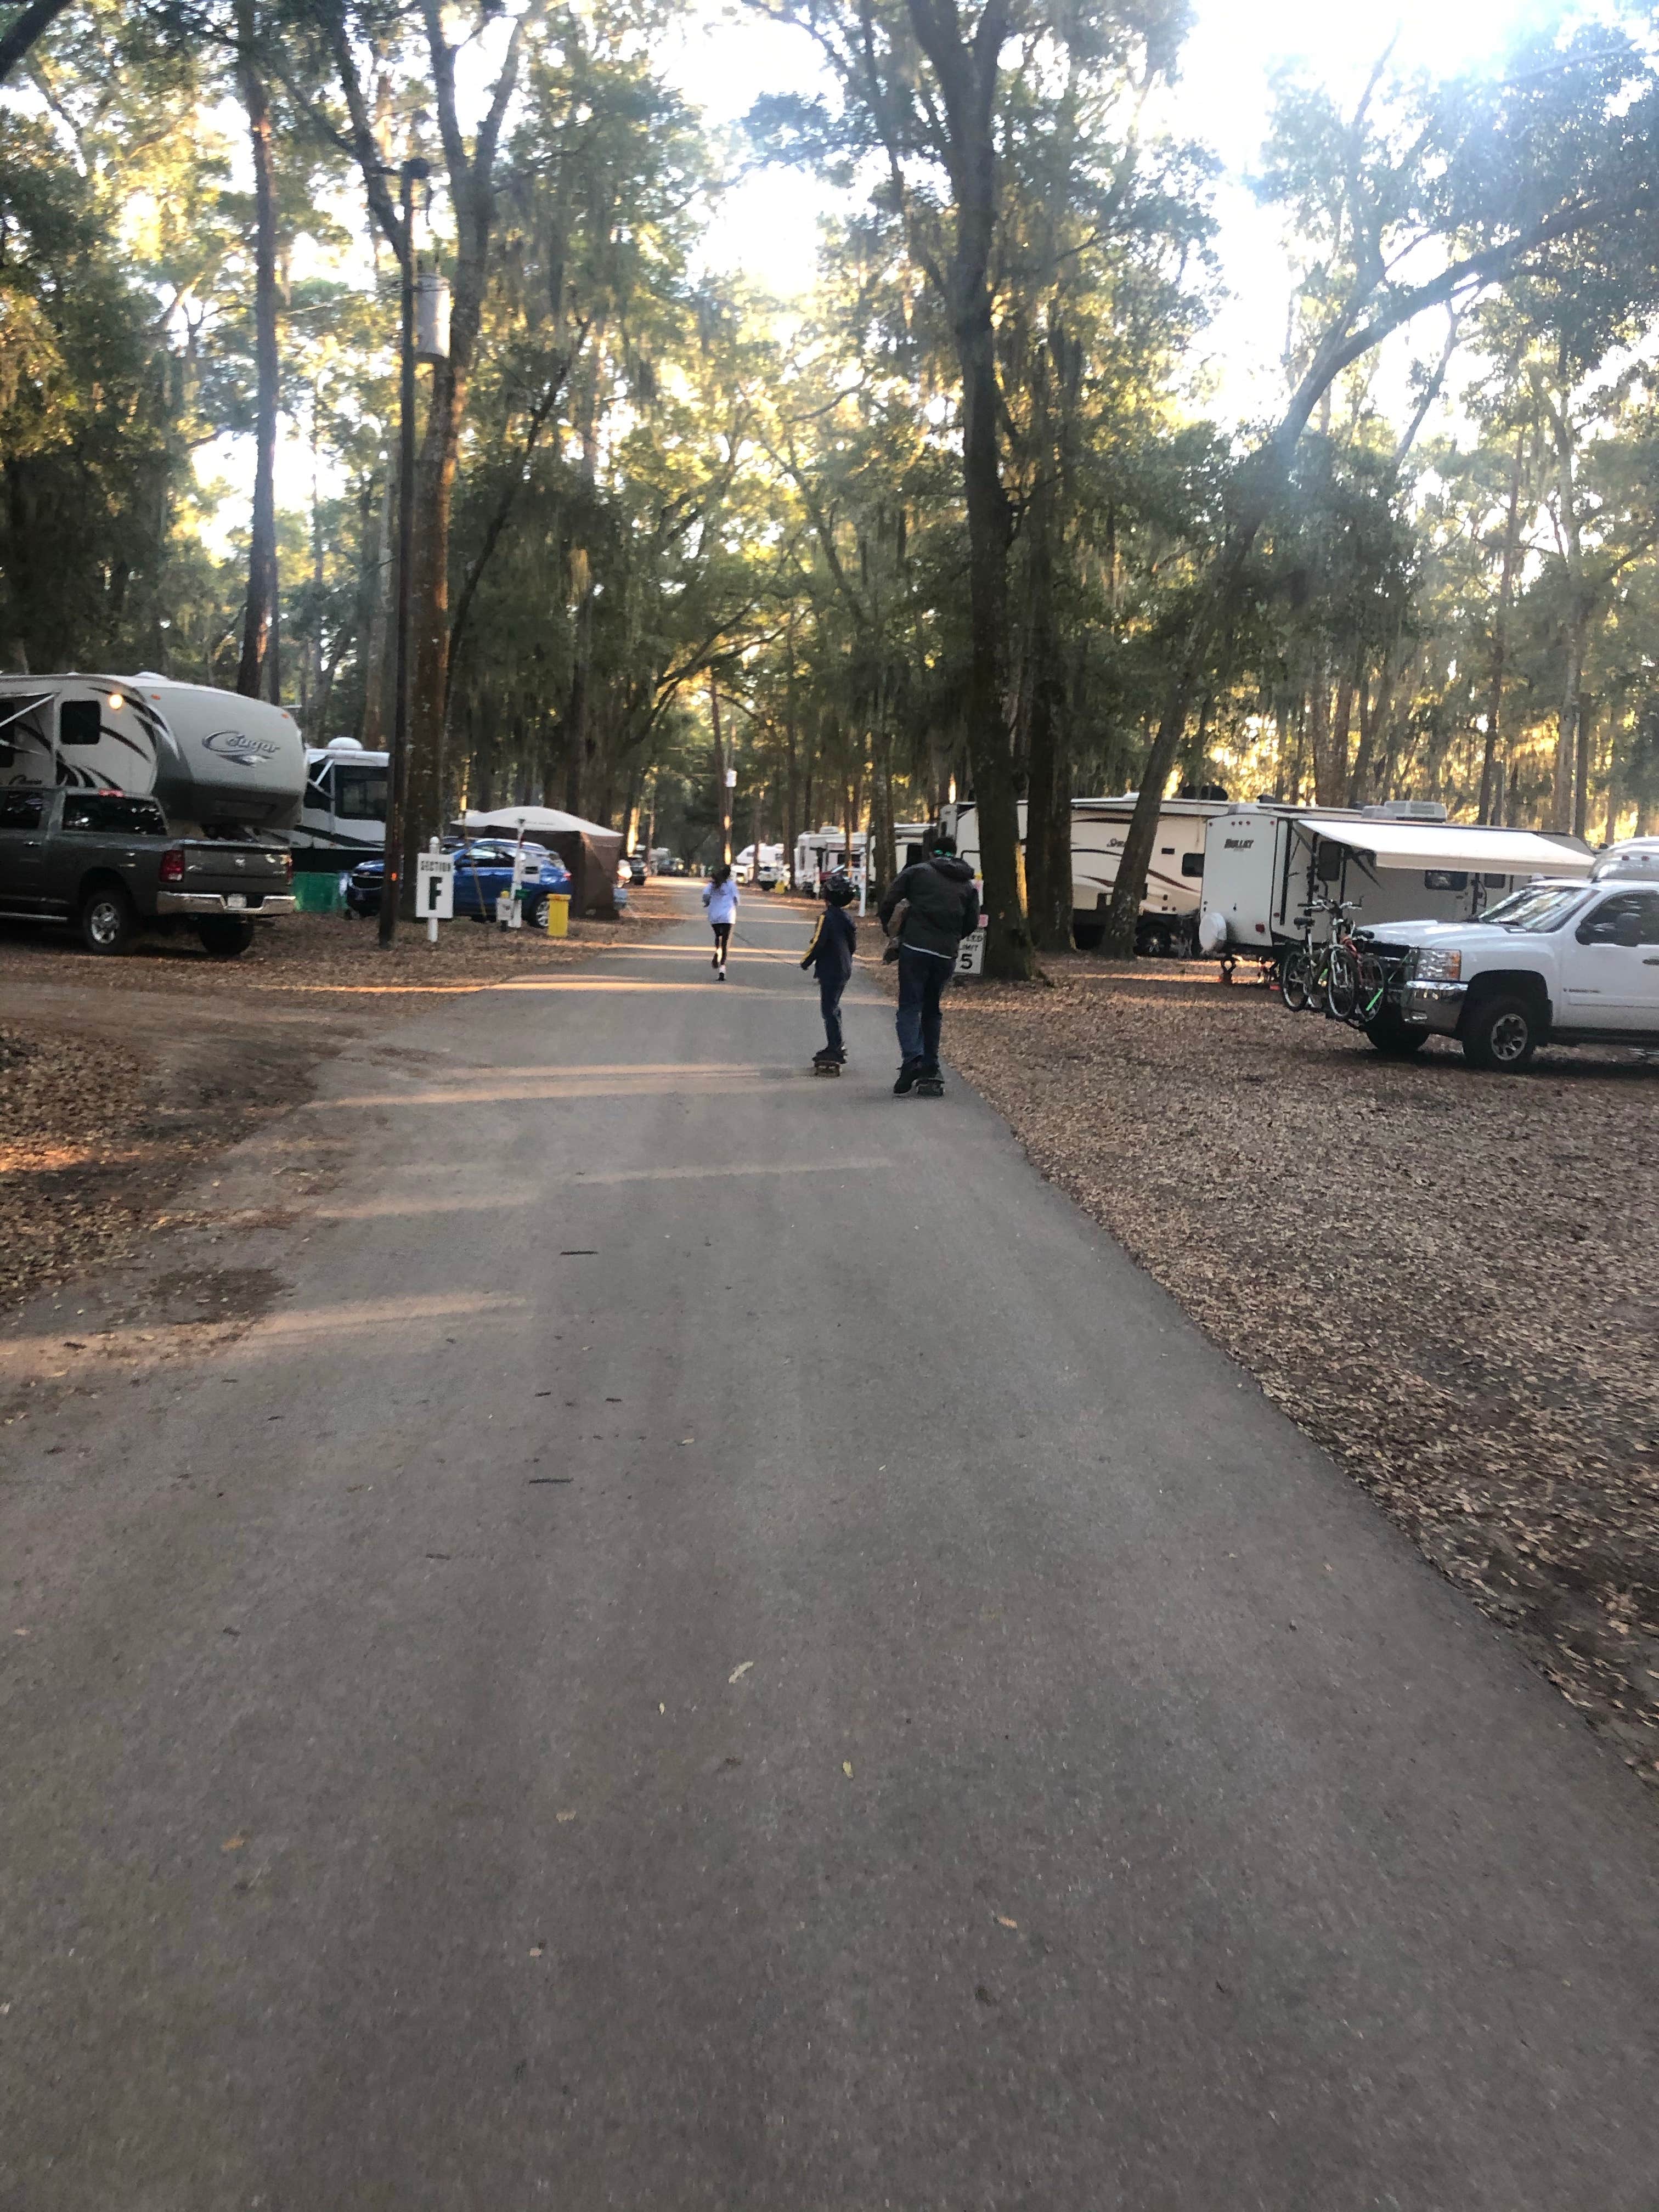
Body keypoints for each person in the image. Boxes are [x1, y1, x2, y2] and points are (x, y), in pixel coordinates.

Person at [877, 831, 980, 1093]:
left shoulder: (917, 872)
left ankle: (912, 1058)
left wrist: (892, 931)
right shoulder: (968, 884)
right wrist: (953, 939)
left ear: (932, 853)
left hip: (915, 948)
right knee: (932, 1009)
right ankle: (931, 1063)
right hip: (945, 954)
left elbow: (889, 900)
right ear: (955, 854)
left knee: (910, 1006)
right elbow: (971, 922)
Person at [800, 869, 857, 1066]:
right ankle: (837, 1043)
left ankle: (835, 1047)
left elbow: (818, 943)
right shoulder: (848, 918)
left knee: (829, 1008)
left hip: (831, 969)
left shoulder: (826, 917)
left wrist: (806, 961)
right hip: (844, 967)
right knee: (834, 1006)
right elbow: (853, 945)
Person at [703, 861, 738, 978]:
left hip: (715, 915)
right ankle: (722, 968)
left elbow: (706, 897)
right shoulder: (731, 885)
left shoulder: (711, 885)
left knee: (718, 936)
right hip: (728, 916)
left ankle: (717, 951)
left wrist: (708, 903)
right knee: (726, 942)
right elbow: (736, 900)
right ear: (728, 875)